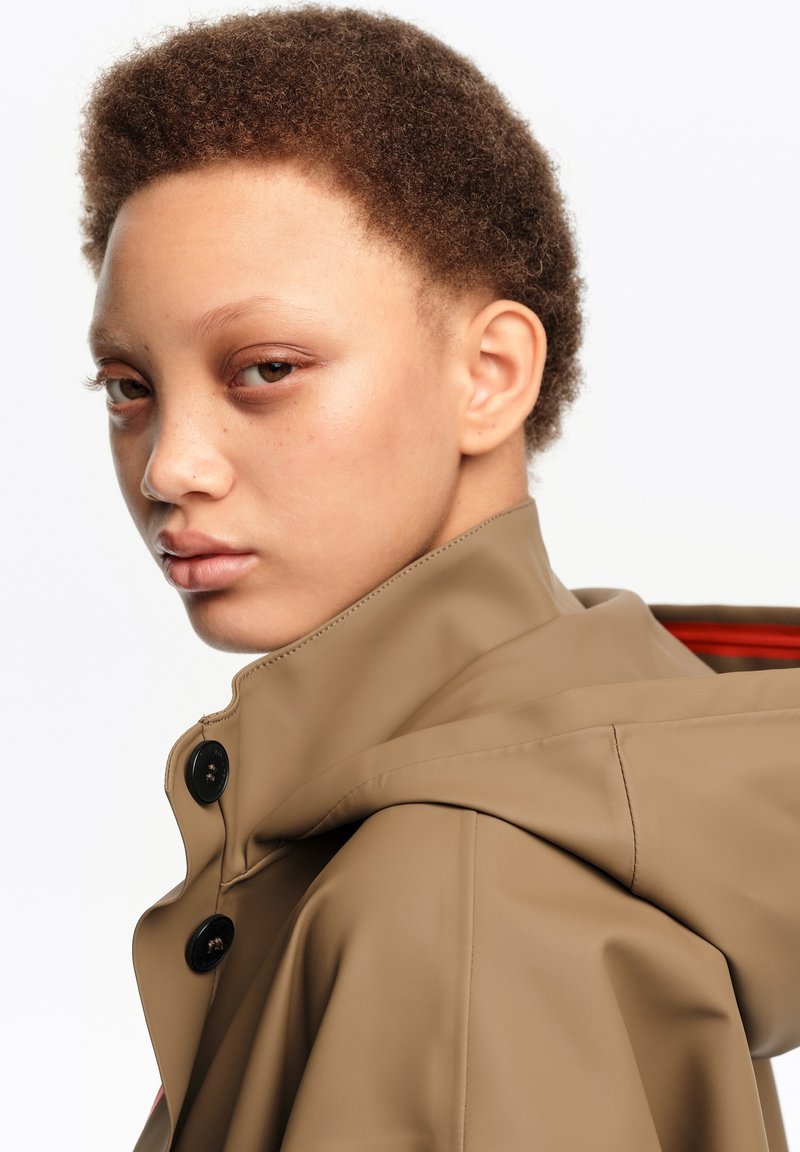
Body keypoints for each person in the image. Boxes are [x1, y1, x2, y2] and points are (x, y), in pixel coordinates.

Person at [80, 7, 800, 1151]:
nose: (170, 466)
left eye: (264, 369)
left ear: (489, 375)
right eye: (129, 387)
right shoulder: (508, 796)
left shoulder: (454, 892)